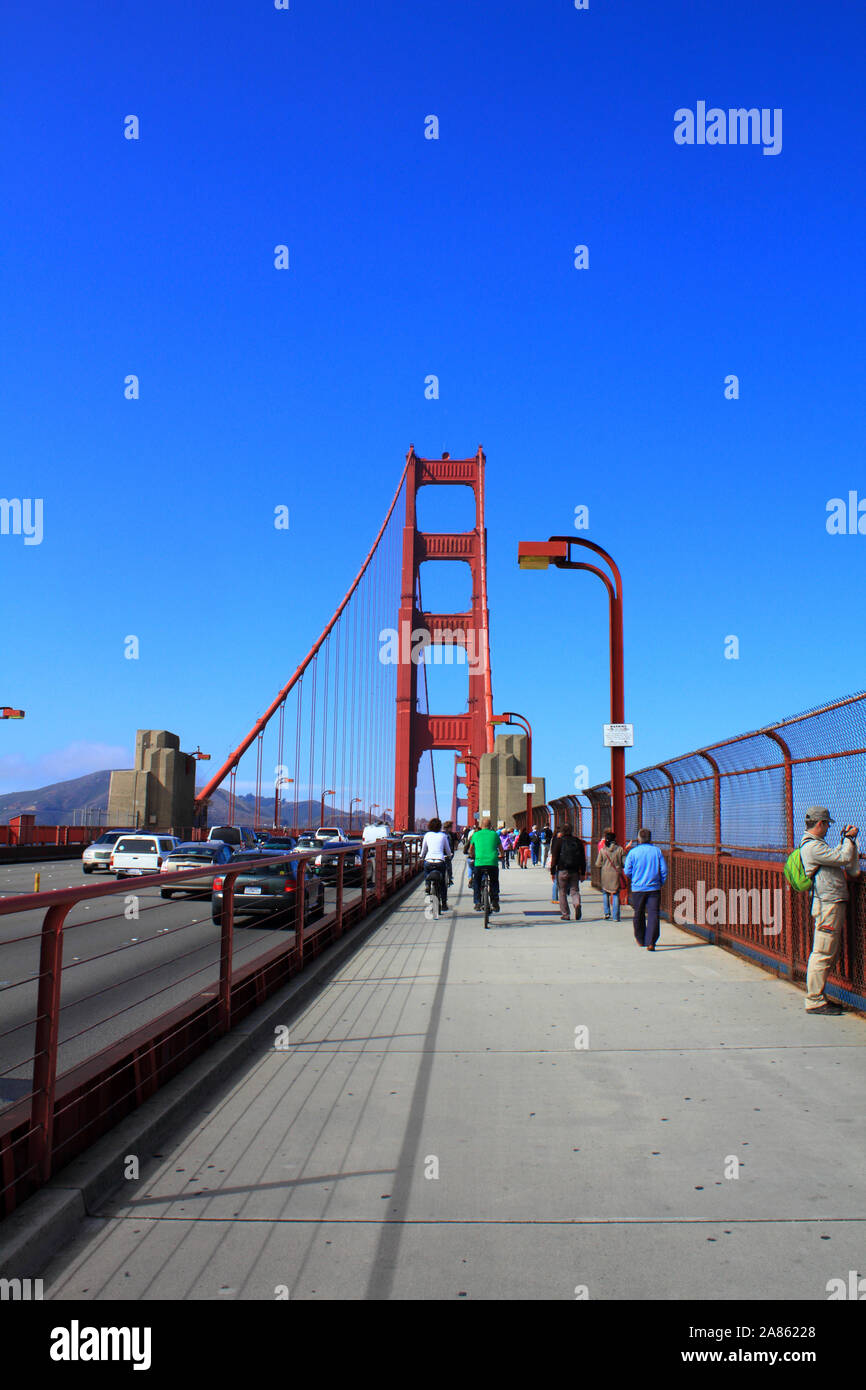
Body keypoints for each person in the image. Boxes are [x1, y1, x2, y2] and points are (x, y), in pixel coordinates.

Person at [799, 807, 860, 1015]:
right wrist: (849, 840)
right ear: (820, 823)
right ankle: (814, 1000)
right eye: (827, 824)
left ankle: (818, 997)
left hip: (828, 904)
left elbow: (835, 856)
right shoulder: (812, 847)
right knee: (823, 952)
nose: (827, 828)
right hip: (827, 905)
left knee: (826, 952)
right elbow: (842, 859)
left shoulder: (815, 845)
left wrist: (845, 841)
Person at [623, 828, 667, 949]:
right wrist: (660, 882)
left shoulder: (633, 853)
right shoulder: (657, 851)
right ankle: (651, 941)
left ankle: (640, 939)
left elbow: (627, 871)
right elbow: (664, 870)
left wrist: (634, 879)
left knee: (639, 913)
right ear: (650, 838)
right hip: (654, 888)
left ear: (639, 839)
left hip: (638, 888)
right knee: (653, 914)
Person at [467, 815, 503, 921]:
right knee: (494, 881)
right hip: (492, 863)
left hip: (479, 863)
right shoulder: (495, 834)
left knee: (477, 882)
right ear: (491, 826)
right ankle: (495, 902)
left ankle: (477, 902)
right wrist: (501, 855)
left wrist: (472, 855)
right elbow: (501, 849)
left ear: (481, 825)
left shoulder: (476, 834)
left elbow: (471, 849)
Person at [549, 821, 586, 921]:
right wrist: (583, 873)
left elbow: (554, 858)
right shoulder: (578, 841)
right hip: (574, 870)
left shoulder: (559, 841)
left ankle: (566, 914)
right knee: (575, 890)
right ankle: (577, 903)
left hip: (562, 870)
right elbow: (583, 858)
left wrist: (552, 872)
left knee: (562, 892)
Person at [419, 816, 452, 911]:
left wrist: (421, 856)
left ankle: (427, 884)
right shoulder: (443, 836)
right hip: (440, 861)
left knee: (426, 869)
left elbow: (424, 849)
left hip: (429, 861)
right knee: (443, 884)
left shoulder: (427, 835)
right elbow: (448, 850)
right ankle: (444, 904)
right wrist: (449, 855)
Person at [597, 828, 624, 921]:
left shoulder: (603, 851)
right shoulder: (620, 849)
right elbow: (624, 863)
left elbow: (598, 864)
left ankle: (607, 913)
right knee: (616, 894)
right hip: (616, 874)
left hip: (605, 874)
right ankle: (616, 916)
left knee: (605, 893)